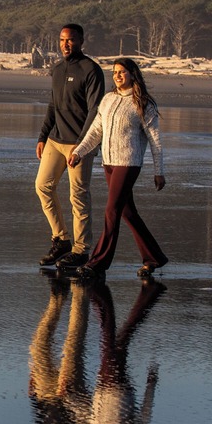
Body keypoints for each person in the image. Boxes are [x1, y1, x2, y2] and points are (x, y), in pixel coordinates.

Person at [67, 57, 167, 279]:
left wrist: (159, 172)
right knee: (127, 212)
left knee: (111, 210)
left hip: (129, 163)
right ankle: (154, 257)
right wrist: (78, 152)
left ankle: (98, 262)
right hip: (109, 162)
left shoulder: (144, 104)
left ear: (133, 74)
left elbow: (155, 140)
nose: (118, 75)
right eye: (115, 72)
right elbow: (95, 131)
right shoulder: (108, 100)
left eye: (122, 72)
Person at [36, 24, 105, 269]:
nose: (66, 44)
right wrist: (43, 136)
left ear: (81, 41)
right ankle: (62, 239)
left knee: (78, 196)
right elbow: (53, 106)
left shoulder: (91, 70)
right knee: (43, 187)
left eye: (71, 40)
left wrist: (82, 146)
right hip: (56, 140)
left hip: (80, 144)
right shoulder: (56, 69)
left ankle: (81, 250)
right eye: (62, 40)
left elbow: (95, 111)